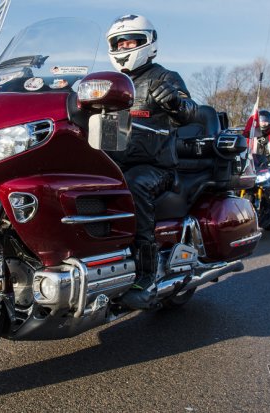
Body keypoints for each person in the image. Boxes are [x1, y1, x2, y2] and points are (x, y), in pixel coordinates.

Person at [106, 14, 204, 308]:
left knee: (135, 185)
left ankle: (146, 272)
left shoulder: (165, 77)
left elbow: (190, 112)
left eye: (131, 41)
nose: (124, 46)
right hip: (113, 164)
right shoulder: (109, 83)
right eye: (119, 42)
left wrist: (175, 101)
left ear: (148, 42)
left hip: (156, 168)